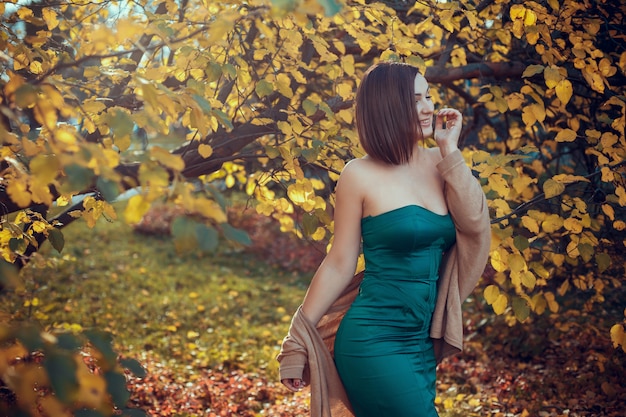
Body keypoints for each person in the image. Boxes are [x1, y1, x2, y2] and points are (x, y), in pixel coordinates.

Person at [277, 61, 491, 417]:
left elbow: (476, 224)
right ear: (389, 107)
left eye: (429, 96)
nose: (428, 108)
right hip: (373, 339)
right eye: (416, 100)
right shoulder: (358, 174)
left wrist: (450, 150)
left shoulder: (443, 162)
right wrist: (296, 342)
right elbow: (339, 262)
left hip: (422, 342)